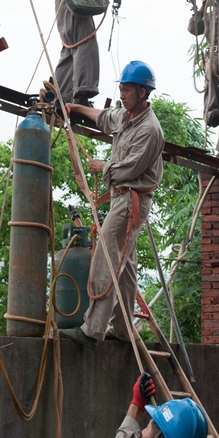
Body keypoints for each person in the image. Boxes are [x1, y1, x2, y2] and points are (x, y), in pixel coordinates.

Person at [64, 61, 164, 343]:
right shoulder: (126, 116)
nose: (122, 95)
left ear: (143, 92)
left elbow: (129, 169)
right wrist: (76, 108)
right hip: (122, 198)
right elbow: (104, 117)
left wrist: (102, 167)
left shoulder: (150, 130)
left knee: (106, 257)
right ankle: (122, 330)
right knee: (126, 265)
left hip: (131, 200)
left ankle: (93, 330)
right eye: (121, 89)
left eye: (127, 90)